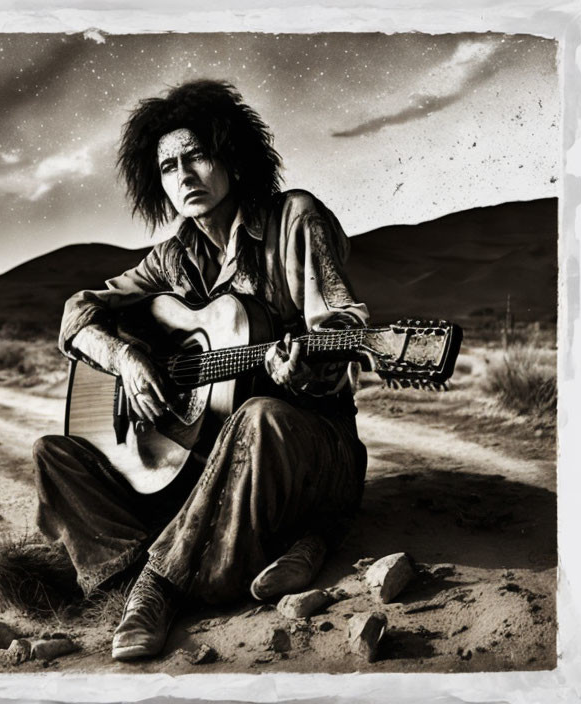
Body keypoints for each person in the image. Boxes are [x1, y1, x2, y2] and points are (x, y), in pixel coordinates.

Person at [32, 79, 368, 661]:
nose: (183, 176)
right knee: (53, 455)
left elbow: (340, 320)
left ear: (233, 158)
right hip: (210, 465)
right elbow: (77, 313)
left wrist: (307, 368)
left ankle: (157, 587)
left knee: (258, 416)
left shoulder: (294, 220)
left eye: (197, 157)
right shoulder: (173, 256)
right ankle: (192, 555)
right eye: (167, 166)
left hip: (307, 451)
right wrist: (128, 358)